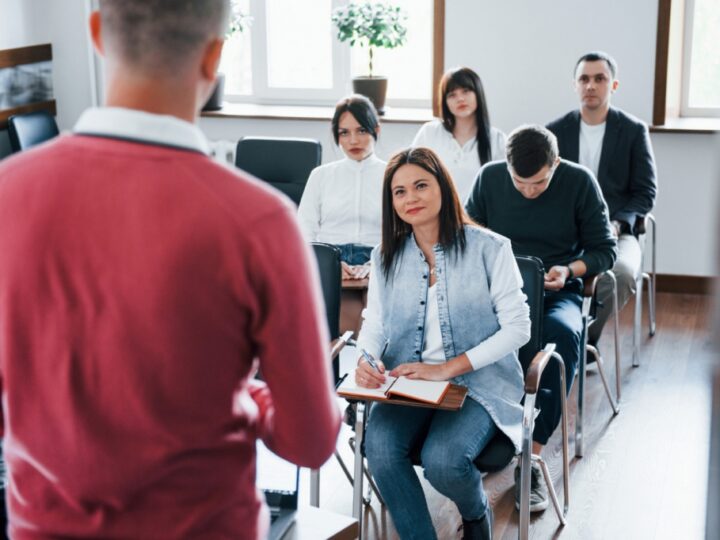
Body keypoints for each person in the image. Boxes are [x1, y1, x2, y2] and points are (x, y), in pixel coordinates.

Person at [0, 1, 341, 538]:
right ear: (214, 57)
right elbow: (310, 440)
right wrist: (246, 395)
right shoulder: (261, 221)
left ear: (96, 35)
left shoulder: (7, 195)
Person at [355, 147, 530, 540]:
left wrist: (448, 369)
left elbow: (519, 328)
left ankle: (474, 514)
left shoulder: (491, 248)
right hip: (408, 381)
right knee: (380, 451)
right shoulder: (385, 256)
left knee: (444, 461)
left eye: (420, 185)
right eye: (399, 192)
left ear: (443, 188)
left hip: (477, 384)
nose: (410, 198)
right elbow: (375, 323)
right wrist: (366, 357)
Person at [466, 125, 616, 513]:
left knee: (561, 338)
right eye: (520, 182)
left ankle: (529, 459)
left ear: (556, 164)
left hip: (556, 291)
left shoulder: (579, 182)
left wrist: (569, 270)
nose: (528, 191)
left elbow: (604, 250)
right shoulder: (489, 178)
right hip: (497, 293)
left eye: (539, 182)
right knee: (464, 332)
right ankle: (484, 437)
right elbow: (467, 236)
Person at [547, 51, 657, 348]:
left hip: (617, 230)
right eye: (584, 79)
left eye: (600, 79)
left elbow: (645, 192)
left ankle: (585, 339)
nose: (591, 86)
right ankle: (559, 333)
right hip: (567, 230)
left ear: (614, 85)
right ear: (575, 85)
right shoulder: (554, 132)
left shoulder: (633, 131)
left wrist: (619, 225)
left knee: (620, 274)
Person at [298, 94, 386, 280]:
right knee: (345, 305)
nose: (353, 141)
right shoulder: (320, 175)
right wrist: (329, 264)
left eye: (361, 130)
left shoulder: (392, 175)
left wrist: (375, 265)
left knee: (368, 303)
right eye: (344, 132)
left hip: (379, 258)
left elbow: (403, 233)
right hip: (330, 257)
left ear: (376, 130)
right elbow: (304, 230)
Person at [411, 67, 506, 201]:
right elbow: (412, 175)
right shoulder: (429, 132)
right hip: (437, 214)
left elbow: (501, 188)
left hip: (479, 218)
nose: (460, 99)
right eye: (452, 95)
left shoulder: (497, 139)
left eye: (466, 91)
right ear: (445, 102)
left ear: (478, 94)